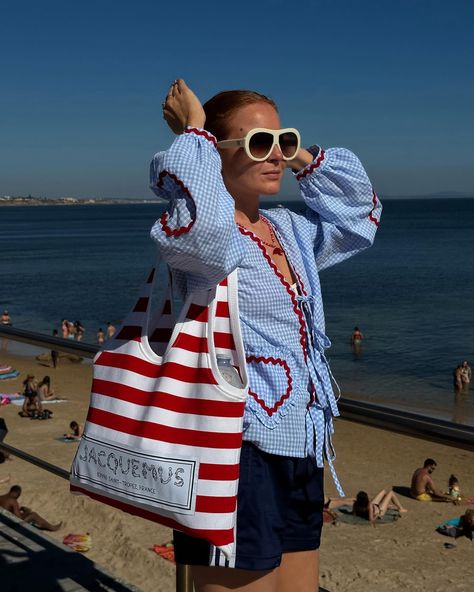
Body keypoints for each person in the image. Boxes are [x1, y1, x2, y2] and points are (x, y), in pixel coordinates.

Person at [150, 79, 381, 591]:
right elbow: (207, 235)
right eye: (258, 144)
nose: (275, 155)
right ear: (216, 153)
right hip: (234, 447)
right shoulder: (194, 231)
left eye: (284, 140)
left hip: (300, 442)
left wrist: (306, 158)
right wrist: (194, 133)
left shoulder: (290, 229)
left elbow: (361, 218)